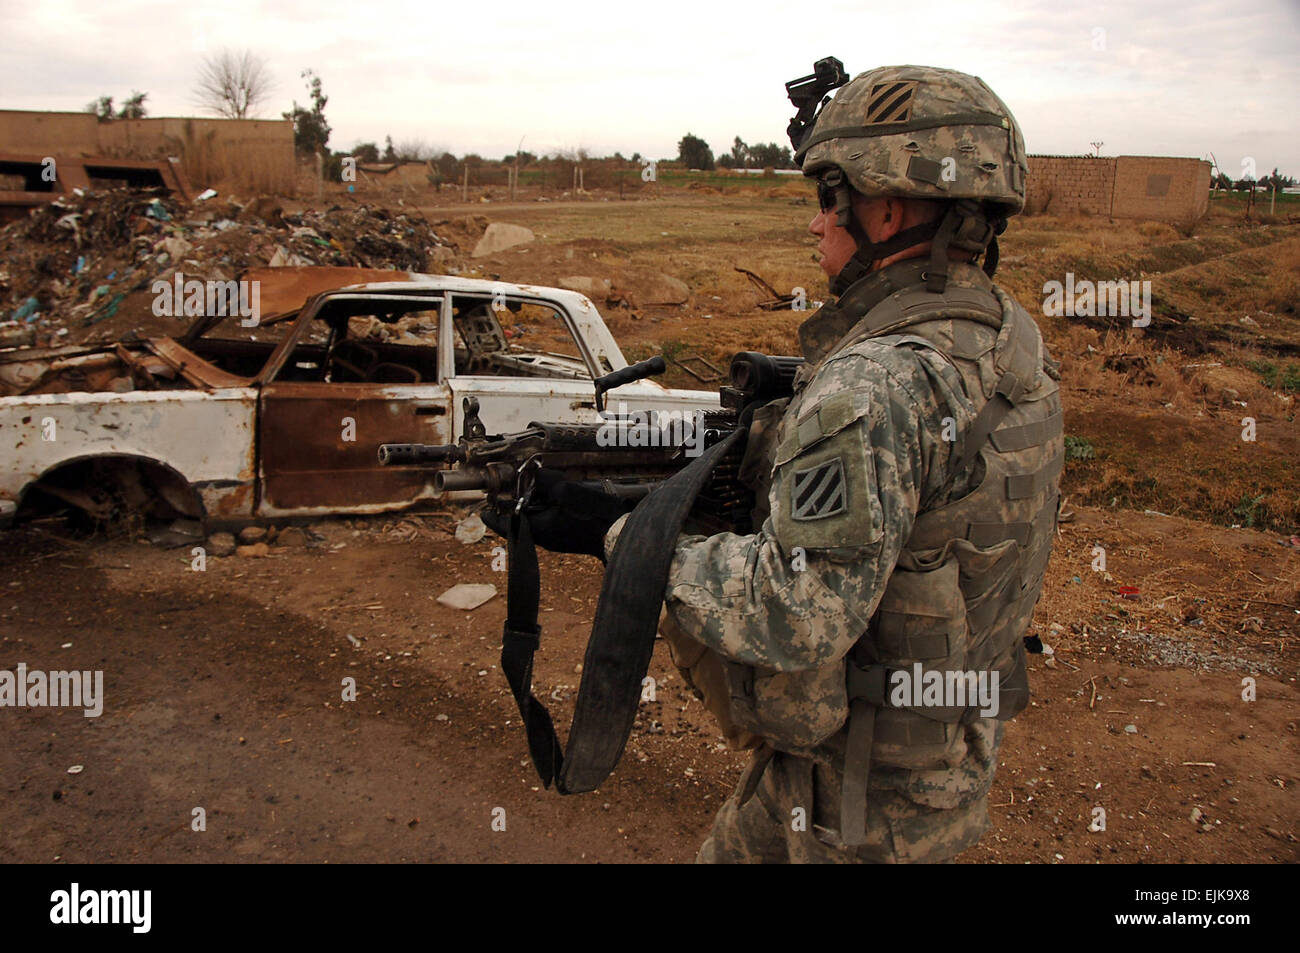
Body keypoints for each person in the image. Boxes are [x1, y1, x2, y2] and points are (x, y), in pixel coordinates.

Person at [502, 65, 1063, 863]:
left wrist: (622, 534)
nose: (816, 227)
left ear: (890, 207)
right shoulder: (1012, 346)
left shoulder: (876, 384)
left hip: (851, 808)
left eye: (827, 200)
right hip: (946, 763)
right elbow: (920, 523)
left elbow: (794, 608)